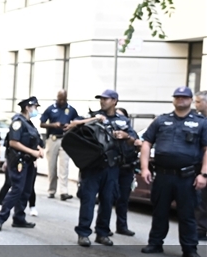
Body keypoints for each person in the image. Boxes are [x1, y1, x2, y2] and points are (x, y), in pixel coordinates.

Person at [139, 86, 207, 257]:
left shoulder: (201, 122)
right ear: (173, 99)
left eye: (184, 97)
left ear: (191, 100)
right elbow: (146, 143)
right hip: (163, 175)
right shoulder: (161, 120)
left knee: (187, 214)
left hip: (187, 177)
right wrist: (145, 168)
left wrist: (204, 175)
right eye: (177, 97)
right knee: (160, 211)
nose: (180, 100)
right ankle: (155, 243)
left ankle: (189, 248)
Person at [68, 89, 140, 247]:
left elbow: (133, 141)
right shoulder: (93, 115)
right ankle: (83, 233)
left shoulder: (123, 120)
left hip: (112, 166)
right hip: (93, 165)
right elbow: (72, 124)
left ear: (115, 101)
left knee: (108, 200)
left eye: (106, 99)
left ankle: (102, 233)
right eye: (101, 99)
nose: (102, 101)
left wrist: (126, 136)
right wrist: (95, 119)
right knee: (88, 200)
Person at [0, 97, 43, 231]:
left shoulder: (29, 123)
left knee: (26, 191)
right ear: (28, 107)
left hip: (29, 162)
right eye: (35, 107)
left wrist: (39, 149)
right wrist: (32, 152)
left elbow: (35, 140)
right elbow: (14, 143)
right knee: (17, 190)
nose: (36, 110)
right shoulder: (18, 122)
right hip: (19, 162)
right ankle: (0, 219)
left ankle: (19, 218)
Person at [40, 89, 79, 200]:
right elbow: (42, 123)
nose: (61, 101)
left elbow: (77, 121)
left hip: (65, 139)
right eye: (59, 98)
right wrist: (53, 125)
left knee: (64, 166)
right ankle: (51, 190)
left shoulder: (70, 109)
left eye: (63, 99)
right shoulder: (51, 108)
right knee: (51, 166)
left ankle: (63, 191)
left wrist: (71, 125)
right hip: (53, 139)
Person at [113, 106, 139, 236]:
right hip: (112, 168)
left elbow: (137, 144)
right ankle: (103, 228)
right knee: (107, 198)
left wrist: (127, 136)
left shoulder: (131, 132)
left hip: (127, 169)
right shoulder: (108, 131)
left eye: (121, 117)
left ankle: (122, 226)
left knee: (123, 199)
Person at [195, 91, 207, 241]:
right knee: (202, 199)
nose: (196, 105)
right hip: (200, 163)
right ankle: (200, 229)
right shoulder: (198, 120)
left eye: (198, 102)